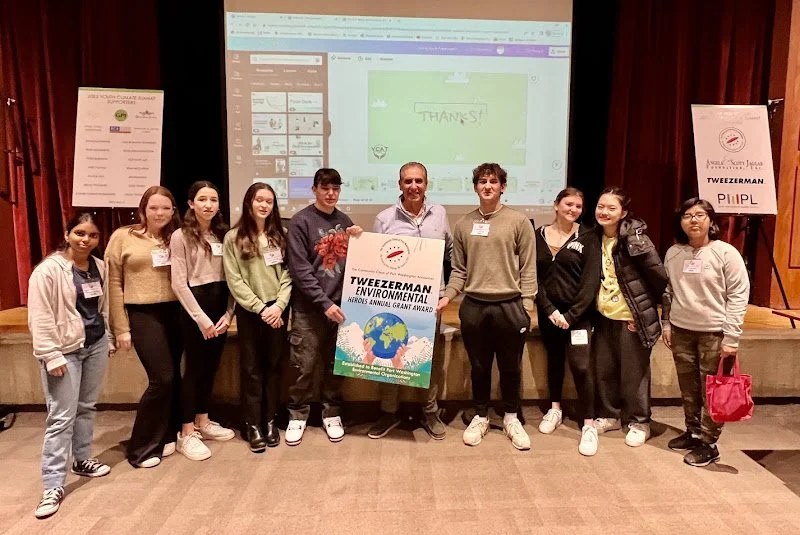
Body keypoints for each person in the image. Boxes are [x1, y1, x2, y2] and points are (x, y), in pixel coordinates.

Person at [437, 163, 536, 450]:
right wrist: (448, 295)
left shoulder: (518, 222)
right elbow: (459, 270)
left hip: (509, 306)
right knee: (479, 367)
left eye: (494, 181)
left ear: (503, 186)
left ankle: (511, 417)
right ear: (476, 187)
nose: (488, 186)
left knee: (510, 367)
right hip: (474, 307)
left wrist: (527, 304)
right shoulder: (463, 224)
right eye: (483, 181)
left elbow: (529, 268)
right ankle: (480, 415)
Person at [28, 213, 114, 518]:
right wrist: (50, 355)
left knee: (87, 406)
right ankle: (52, 484)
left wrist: (109, 338)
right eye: (79, 233)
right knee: (60, 417)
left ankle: (82, 459)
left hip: (95, 345)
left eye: (91, 235)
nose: (85, 240)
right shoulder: (48, 271)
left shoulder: (99, 267)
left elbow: (100, 309)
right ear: (67, 234)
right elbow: (39, 316)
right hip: (64, 352)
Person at [367, 162, 453, 440]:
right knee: (389, 355)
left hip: (431, 301)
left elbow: (450, 252)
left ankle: (430, 412)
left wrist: (446, 292)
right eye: (408, 181)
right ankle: (388, 412)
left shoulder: (439, 214)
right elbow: (372, 260)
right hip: (394, 300)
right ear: (399, 184)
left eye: (418, 181)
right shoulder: (384, 219)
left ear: (426, 184)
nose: (413, 186)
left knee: (428, 358)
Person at [662, 198, 749, 466]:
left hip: (714, 334)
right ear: (681, 222)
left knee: (712, 390)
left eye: (700, 215)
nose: (694, 220)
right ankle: (693, 431)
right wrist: (666, 323)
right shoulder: (674, 253)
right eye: (687, 215)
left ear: (710, 221)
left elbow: (738, 295)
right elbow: (669, 292)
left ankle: (709, 443)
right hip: (681, 330)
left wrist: (731, 338)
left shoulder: (725, 253)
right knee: (689, 388)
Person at [106, 186, 183, 468]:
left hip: (176, 311)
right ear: (143, 210)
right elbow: (113, 284)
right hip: (143, 313)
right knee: (161, 379)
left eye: (165, 208)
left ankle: (167, 435)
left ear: (174, 211)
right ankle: (141, 448)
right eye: (153, 208)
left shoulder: (176, 238)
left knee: (175, 376)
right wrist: (121, 328)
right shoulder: (123, 237)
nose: (159, 213)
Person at [285, 168, 361, 446]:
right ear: (314, 189)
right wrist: (324, 302)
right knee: (303, 365)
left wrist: (362, 240)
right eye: (325, 188)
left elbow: (356, 263)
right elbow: (300, 269)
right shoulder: (301, 221)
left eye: (335, 189)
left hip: (342, 307)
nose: (331, 194)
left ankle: (332, 413)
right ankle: (297, 415)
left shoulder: (344, 221)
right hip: (310, 308)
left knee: (335, 364)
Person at [592, 187, 668, 447]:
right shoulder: (594, 237)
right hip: (603, 316)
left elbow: (659, 279)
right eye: (601, 206)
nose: (604, 212)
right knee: (604, 370)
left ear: (623, 212)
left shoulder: (637, 241)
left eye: (611, 208)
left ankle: (639, 421)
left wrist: (643, 313)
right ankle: (609, 415)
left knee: (634, 373)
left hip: (630, 318)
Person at [223, 182, 292, 452]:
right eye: (259, 200)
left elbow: (288, 275)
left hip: (278, 310)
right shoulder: (233, 237)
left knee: (274, 367)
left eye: (269, 201)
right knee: (251, 369)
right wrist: (261, 308)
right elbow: (234, 280)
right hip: (251, 312)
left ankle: (271, 420)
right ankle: (252, 424)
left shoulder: (281, 235)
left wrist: (279, 306)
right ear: (249, 202)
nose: (264, 205)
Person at [170, 181, 236, 461]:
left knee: (211, 368)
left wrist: (228, 314)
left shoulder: (224, 234)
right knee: (194, 370)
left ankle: (202, 421)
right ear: (191, 203)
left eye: (213, 199)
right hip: (196, 309)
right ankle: (186, 433)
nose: (208, 204)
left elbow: (234, 277)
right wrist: (201, 319)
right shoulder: (180, 235)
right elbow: (178, 282)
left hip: (220, 307)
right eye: (202, 199)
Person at [534, 188, 602, 456]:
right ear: (556, 205)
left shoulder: (588, 237)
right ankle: (555, 409)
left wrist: (571, 316)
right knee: (553, 361)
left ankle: (588, 424)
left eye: (577, 206)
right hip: (548, 313)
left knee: (581, 366)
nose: (572, 209)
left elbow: (590, 282)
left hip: (578, 316)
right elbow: (532, 276)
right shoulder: (537, 235)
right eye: (568, 204)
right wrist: (549, 309)